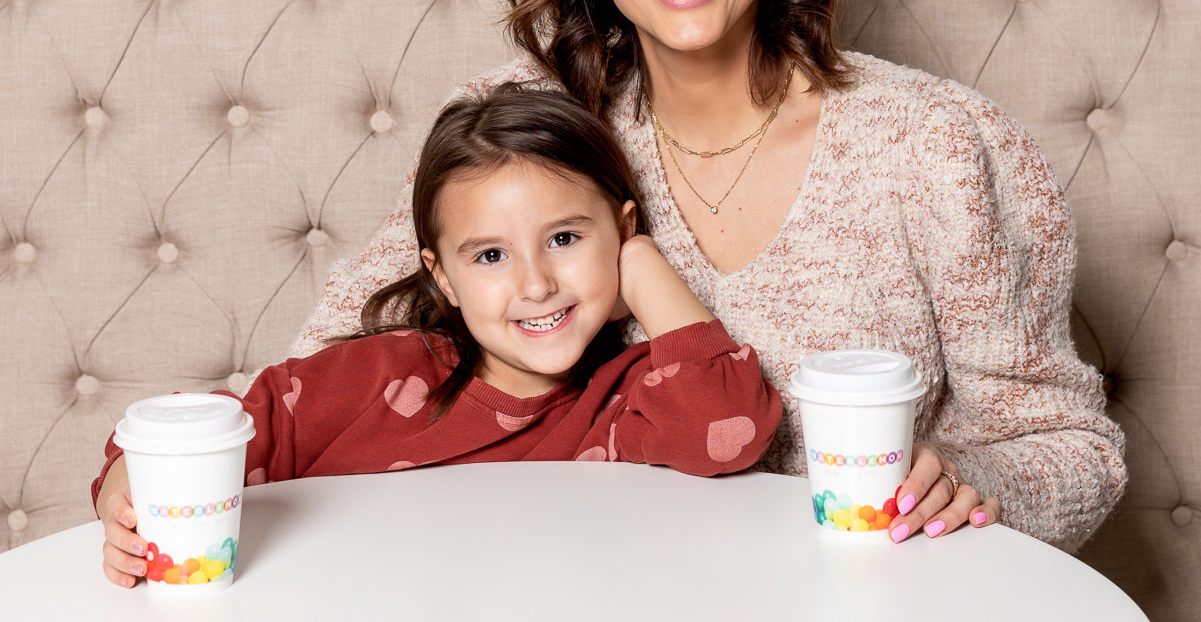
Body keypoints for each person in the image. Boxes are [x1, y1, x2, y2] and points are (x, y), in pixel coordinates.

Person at [290, 0, 1126, 552]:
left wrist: (974, 487)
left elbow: (1066, 444)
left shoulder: (937, 146)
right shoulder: (516, 130)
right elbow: (329, 374)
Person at [94, 85, 783, 588]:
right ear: (443, 278)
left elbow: (727, 427)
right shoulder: (377, 377)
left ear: (624, 230)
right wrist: (125, 497)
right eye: (489, 256)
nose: (535, 283)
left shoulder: (634, 398)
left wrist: (641, 266)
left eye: (565, 239)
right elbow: (204, 432)